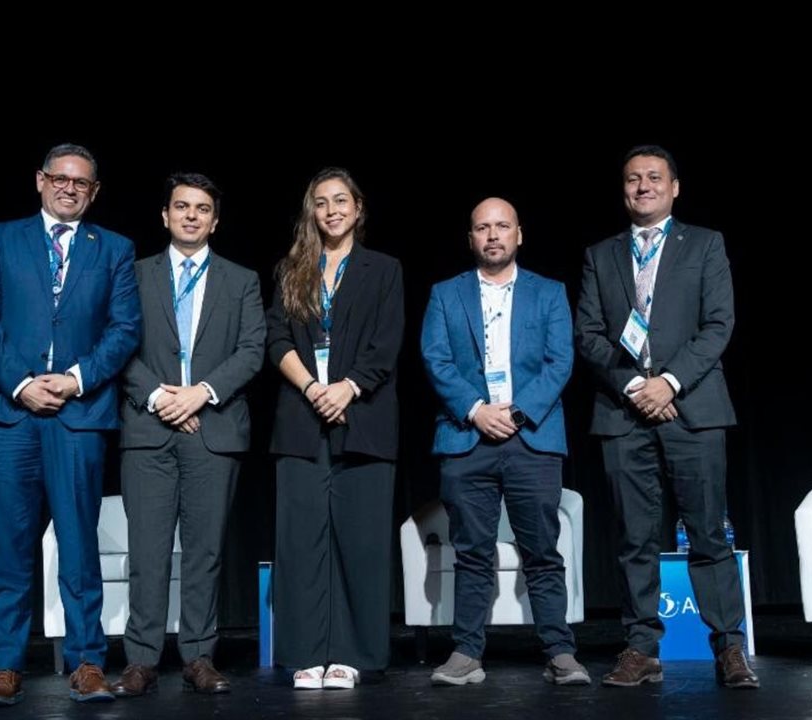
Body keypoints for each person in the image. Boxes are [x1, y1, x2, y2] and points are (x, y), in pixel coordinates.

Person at [575, 144, 759, 689]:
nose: (643, 186)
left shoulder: (704, 245)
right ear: (623, 190)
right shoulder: (599, 255)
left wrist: (669, 382)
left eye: (654, 177)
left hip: (693, 408)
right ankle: (640, 647)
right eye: (633, 179)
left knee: (707, 534)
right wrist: (635, 385)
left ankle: (728, 647)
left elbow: (718, 324)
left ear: (675, 187)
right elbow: (588, 334)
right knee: (635, 538)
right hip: (623, 411)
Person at [0, 143, 140, 707]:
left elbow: (124, 328)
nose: (69, 188)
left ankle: (87, 661)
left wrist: (74, 379)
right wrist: (22, 383)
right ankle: (5, 666)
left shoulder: (113, 248)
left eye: (81, 182)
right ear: (40, 181)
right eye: (60, 178)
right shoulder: (1, 238)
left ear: (94, 191)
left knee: (79, 544)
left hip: (78, 414)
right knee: (9, 544)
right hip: (6, 409)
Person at [420, 197, 589, 687]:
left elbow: (561, 361)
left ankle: (560, 651)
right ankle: (466, 653)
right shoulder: (445, 294)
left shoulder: (549, 292)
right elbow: (436, 358)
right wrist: (477, 411)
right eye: (481, 228)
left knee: (542, 551)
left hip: (531, 438)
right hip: (466, 436)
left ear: (519, 234)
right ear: (470, 238)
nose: (492, 235)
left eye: (501, 226)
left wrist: (514, 413)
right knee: (471, 550)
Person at [114, 173, 265, 697]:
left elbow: (251, 349)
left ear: (215, 220)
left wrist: (199, 392)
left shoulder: (241, 279)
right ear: (165, 215)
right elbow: (117, 347)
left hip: (213, 431)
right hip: (147, 430)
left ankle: (199, 656)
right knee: (148, 551)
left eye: (202, 209)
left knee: (205, 553)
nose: (192, 216)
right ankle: (141, 660)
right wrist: (162, 398)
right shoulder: (132, 275)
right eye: (182, 207)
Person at [266, 167, 404, 690]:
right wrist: (312, 389)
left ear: (359, 208)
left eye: (341, 200)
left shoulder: (384, 270)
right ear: (312, 212)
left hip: (363, 419)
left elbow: (386, 344)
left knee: (360, 540)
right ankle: (305, 653)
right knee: (300, 542)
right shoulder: (291, 269)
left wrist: (346, 388)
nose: (332, 210)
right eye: (321, 203)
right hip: (301, 421)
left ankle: (351, 653)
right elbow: (276, 338)